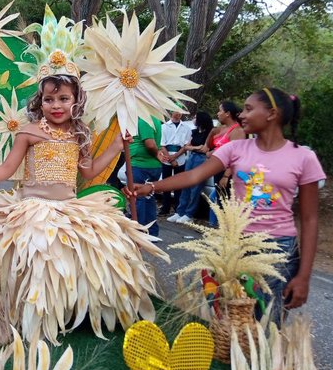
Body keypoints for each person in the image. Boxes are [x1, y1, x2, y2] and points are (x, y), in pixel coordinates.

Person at [0, 74, 167, 342]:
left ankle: (75, 309)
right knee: (39, 256)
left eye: (63, 99)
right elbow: (8, 168)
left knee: (98, 245)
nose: (56, 105)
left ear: (76, 101)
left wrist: (117, 146)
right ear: (40, 102)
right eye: (49, 99)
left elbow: (89, 170)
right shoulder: (29, 131)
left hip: (69, 205)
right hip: (34, 206)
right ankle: (36, 312)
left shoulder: (80, 135)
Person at [128, 88, 325, 323]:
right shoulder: (235, 149)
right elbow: (193, 176)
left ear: (272, 114)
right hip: (235, 244)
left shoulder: (303, 157)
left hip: (278, 250)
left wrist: (303, 276)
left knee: (267, 322)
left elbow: (310, 219)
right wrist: (150, 187)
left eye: (249, 109)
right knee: (227, 317)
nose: (242, 115)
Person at [167, 111, 214, 223]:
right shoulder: (194, 132)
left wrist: (193, 147)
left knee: (195, 187)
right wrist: (195, 148)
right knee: (186, 185)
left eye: (196, 117)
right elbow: (187, 146)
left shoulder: (209, 133)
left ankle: (189, 214)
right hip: (192, 158)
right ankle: (180, 212)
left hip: (202, 159)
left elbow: (204, 149)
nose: (194, 119)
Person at [128, 116, 163, 237]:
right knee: (148, 198)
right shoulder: (154, 119)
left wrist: (156, 154)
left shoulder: (145, 119)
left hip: (141, 165)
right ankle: (151, 232)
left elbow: (150, 144)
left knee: (138, 197)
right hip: (147, 165)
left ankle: (139, 232)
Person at [158, 110, 192, 215]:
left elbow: (186, 145)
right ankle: (165, 207)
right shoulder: (164, 127)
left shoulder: (186, 128)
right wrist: (170, 158)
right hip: (167, 155)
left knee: (178, 184)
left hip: (180, 156)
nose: (178, 114)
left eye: (180, 112)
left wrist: (175, 157)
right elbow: (162, 145)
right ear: (172, 112)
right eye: (176, 112)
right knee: (166, 183)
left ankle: (178, 208)